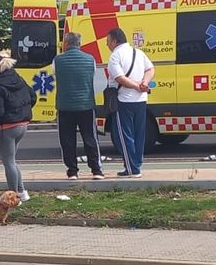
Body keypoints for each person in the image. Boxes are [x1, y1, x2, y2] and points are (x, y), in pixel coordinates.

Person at [0, 53, 35, 202]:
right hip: (22, 124)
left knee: (9, 163)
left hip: (7, 127)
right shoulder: (18, 78)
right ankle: (22, 193)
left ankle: (14, 198)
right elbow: (32, 97)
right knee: (12, 160)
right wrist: (21, 112)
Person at [53, 32, 104, 180]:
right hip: (86, 105)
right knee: (90, 138)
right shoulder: (90, 60)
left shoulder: (57, 60)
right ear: (79, 44)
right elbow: (93, 78)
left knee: (67, 139)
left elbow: (55, 74)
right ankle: (96, 170)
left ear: (66, 44)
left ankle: (72, 171)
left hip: (65, 106)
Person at [105, 27, 154, 177]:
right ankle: (136, 164)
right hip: (140, 100)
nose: (107, 45)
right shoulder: (138, 52)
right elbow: (150, 68)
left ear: (114, 41)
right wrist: (144, 83)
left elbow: (119, 78)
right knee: (139, 134)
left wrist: (137, 86)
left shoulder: (115, 56)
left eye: (108, 42)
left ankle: (132, 168)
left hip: (123, 100)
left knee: (123, 135)